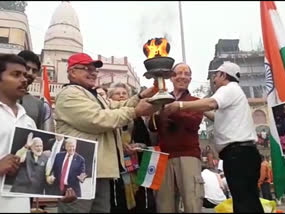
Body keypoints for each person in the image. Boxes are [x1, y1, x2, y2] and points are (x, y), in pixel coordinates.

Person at [54, 52, 158, 213]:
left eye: (94, 70)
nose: (93, 73)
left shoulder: (93, 95)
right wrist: (135, 112)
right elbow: (99, 119)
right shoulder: (69, 94)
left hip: (100, 170)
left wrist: (141, 96)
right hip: (79, 171)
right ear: (72, 72)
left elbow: (117, 106)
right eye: (87, 69)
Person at [164, 61, 264, 212]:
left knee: (244, 202)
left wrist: (179, 106)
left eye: (216, 76)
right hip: (240, 154)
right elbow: (215, 116)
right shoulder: (234, 94)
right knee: (246, 199)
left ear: (224, 75)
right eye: (178, 73)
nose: (214, 80)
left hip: (239, 154)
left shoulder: (229, 89)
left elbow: (210, 104)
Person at [149, 62, 204, 213]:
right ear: (171, 78)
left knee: (192, 202)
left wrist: (173, 108)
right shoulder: (160, 100)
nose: (182, 77)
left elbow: (193, 123)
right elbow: (152, 127)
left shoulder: (195, 102)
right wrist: (157, 110)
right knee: (164, 205)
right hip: (163, 157)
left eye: (186, 74)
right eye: (178, 73)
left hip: (188, 155)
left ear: (190, 79)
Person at [108, 82, 156, 213]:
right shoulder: (108, 118)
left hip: (137, 168)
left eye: (124, 93)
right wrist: (119, 147)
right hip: (116, 170)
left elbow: (146, 142)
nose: (121, 96)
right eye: (117, 93)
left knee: (141, 203)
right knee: (118, 203)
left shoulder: (137, 119)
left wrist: (138, 146)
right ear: (110, 98)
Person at [0, 54, 36, 212]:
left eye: (25, 75)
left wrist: (59, 191)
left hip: (19, 203)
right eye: (16, 74)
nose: (24, 80)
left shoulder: (28, 122)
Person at [17, 50, 54, 132]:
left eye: (34, 71)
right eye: (27, 68)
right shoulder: (4, 96)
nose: (30, 73)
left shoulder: (39, 105)